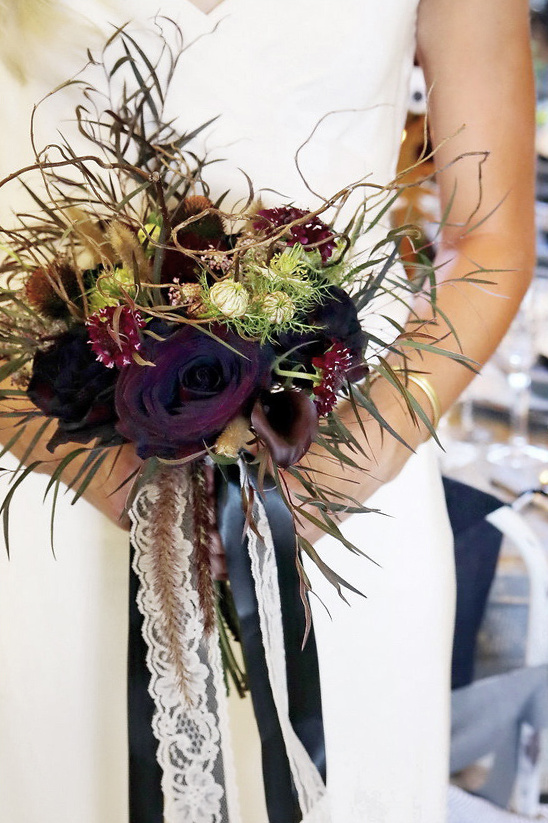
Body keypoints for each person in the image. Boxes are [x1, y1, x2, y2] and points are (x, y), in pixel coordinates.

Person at [0, 0, 535, 822]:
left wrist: (330, 475)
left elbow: (488, 247)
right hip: (52, 464)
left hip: (347, 458)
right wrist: (95, 467)